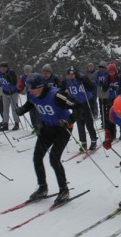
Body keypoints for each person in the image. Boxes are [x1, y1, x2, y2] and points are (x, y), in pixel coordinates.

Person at [16, 73, 78, 205]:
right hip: (47, 128)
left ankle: (64, 190)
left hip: (63, 129)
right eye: (30, 90)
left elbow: (78, 107)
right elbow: (31, 103)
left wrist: (68, 120)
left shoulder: (57, 95)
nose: (31, 92)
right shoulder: (34, 94)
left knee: (54, 159)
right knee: (37, 157)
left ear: (41, 86)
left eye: (34, 89)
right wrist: (22, 109)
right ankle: (42, 187)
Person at [64, 66, 98, 152]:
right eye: (69, 75)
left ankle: (93, 140)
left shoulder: (81, 78)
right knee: (80, 124)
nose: (71, 76)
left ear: (75, 74)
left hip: (86, 102)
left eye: (72, 74)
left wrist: (83, 79)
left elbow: (91, 87)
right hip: (76, 104)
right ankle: (83, 142)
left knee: (89, 123)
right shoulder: (67, 82)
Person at [0, 62, 20, 131]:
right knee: (5, 109)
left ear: (7, 68)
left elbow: (15, 82)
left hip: (13, 93)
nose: (3, 69)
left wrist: (9, 77)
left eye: (4, 68)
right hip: (5, 92)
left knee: (14, 108)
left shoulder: (11, 72)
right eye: (1, 68)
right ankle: (5, 124)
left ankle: (16, 123)